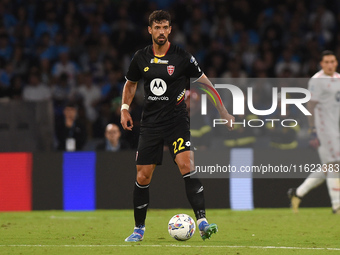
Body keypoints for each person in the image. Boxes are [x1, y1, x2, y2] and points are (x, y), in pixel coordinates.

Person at [120, 10, 234, 242]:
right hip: (151, 123)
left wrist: (223, 110)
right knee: (143, 176)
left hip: (176, 121)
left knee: (186, 163)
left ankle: (202, 222)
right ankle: (138, 229)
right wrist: (124, 108)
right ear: (150, 30)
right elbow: (131, 84)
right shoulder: (140, 57)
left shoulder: (182, 57)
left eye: (165, 27)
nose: (161, 31)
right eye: (157, 27)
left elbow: (206, 85)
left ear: (170, 29)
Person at [288, 51, 340, 214]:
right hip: (324, 129)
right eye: (327, 62)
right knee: (334, 165)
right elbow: (310, 106)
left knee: (328, 167)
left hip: (335, 127)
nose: (330, 65)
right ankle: (337, 205)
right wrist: (313, 129)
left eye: (332, 61)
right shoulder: (317, 81)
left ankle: (297, 193)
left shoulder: (338, 78)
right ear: (321, 64)